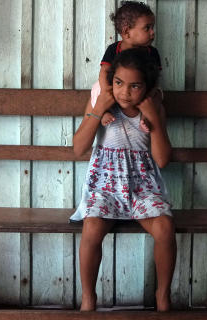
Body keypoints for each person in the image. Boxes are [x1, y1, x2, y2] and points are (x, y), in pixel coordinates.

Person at [71, 48, 175, 312]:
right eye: (118, 83)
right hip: (105, 185)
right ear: (111, 81)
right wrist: (98, 110)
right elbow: (78, 148)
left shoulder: (152, 110)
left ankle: (162, 297)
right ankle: (88, 298)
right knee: (92, 228)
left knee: (164, 228)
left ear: (148, 88)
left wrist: (153, 117)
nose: (124, 92)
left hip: (142, 186)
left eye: (134, 86)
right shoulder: (101, 103)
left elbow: (162, 160)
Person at [97, 1, 160, 129]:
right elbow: (104, 72)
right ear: (126, 32)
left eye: (152, 27)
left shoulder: (151, 52)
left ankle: (145, 117)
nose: (152, 32)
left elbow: (156, 78)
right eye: (147, 28)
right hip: (115, 90)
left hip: (143, 91)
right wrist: (106, 91)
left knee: (158, 95)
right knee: (95, 90)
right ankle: (104, 112)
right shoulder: (114, 49)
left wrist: (149, 94)